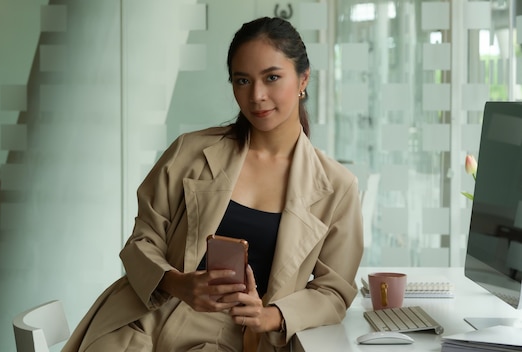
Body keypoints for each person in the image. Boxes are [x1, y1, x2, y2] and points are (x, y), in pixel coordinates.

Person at [62, 16, 363, 352]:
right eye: (243, 81)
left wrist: (272, 315)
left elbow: (334, 291)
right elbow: (141, 241)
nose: (257, 96)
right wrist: (176, 283)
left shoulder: (337, 187)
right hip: (140, 320)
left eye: (272, 77)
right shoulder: (189, 152)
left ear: (303, 78)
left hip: (232, 339)